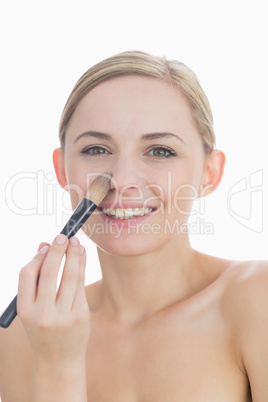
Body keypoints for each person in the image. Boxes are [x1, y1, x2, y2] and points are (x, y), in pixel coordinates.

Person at [0, 50, 267, 402]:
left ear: (209, 174)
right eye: (96, 150)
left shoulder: (257, 299)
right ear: (62, 170)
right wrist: (57, 367)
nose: (122, 180)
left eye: (160, 151)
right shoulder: (27, 331)